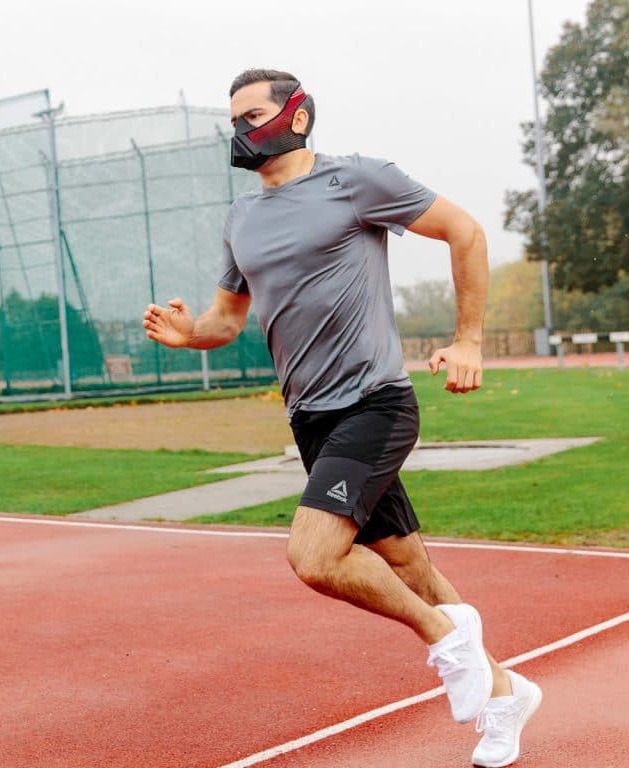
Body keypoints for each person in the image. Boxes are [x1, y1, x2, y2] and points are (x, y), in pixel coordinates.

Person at [143, 69, 541, 767]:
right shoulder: (242, 219)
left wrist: (471, 339)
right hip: (312, 421)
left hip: (375, 404)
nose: (239, 130)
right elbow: (225, 319)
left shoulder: (356, 181)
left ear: (296, 117)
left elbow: (465, 231)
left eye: (253, 114)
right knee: (408, 565)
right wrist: (190, 334)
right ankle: (505, 693)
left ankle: (447, 640)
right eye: (231, 120)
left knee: (314, 555)